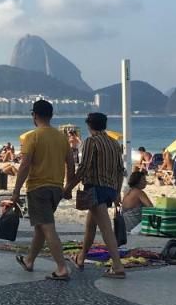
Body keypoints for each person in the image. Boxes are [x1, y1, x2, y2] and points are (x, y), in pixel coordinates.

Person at [11, 99, 75, 281]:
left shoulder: (33, 136)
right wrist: (68, 187)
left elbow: (24, 165)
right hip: (56, 189)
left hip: (38, 188)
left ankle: (62, 268)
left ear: (34, 115)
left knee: (47, 227)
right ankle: (29, 260)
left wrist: (16, 190)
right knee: (41, 226)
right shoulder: (62, 137)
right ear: (51, 115)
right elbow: (71, 164)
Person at [65, 112, 126, 278]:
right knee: (90, 226)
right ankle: (81, 258)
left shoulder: (90, 142)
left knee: (105, 228)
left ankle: (118, 266)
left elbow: (83, 167)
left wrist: (69, 186)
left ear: (89, 125)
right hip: (111, 189)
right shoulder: (114, 143)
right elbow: (121, 170)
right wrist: (118, 192)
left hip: (95, 188)